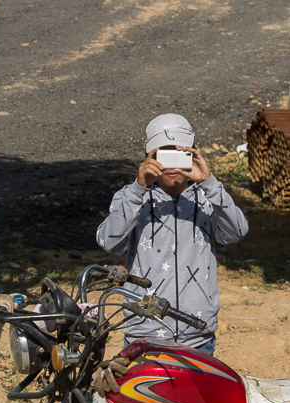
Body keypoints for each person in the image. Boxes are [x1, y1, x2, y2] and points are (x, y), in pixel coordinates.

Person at [97, 113, 248, 354]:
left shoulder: (208, 198)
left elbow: (237, 232)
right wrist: (138, 190)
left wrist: (210, 183)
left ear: (192, 154)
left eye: (179, 155)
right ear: (148, 157)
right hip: (144, 335)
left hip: (197, 336)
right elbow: (108, 242)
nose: (172, 166)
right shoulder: (130, 197)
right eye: (163, 156)